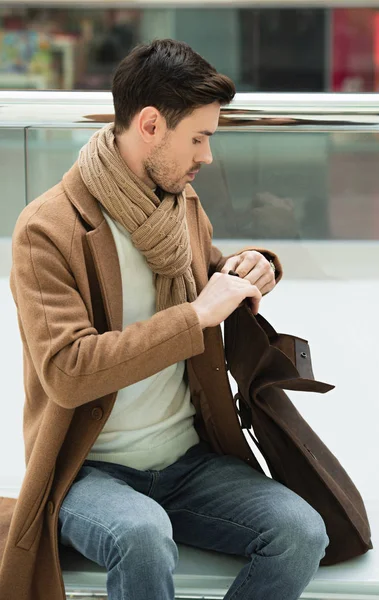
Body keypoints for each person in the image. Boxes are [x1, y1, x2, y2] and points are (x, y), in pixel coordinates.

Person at [0, 39, 329, 600]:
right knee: (143, 536)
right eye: (198, 137)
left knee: (301, 533)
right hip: (91, 468)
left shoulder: (176, 206)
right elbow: (68, 370)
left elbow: (210, 274)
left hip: (188, 458)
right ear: (151, 124)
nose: (207, 157)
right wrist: (194, 316)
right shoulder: (47, 230)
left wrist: (257, 266)